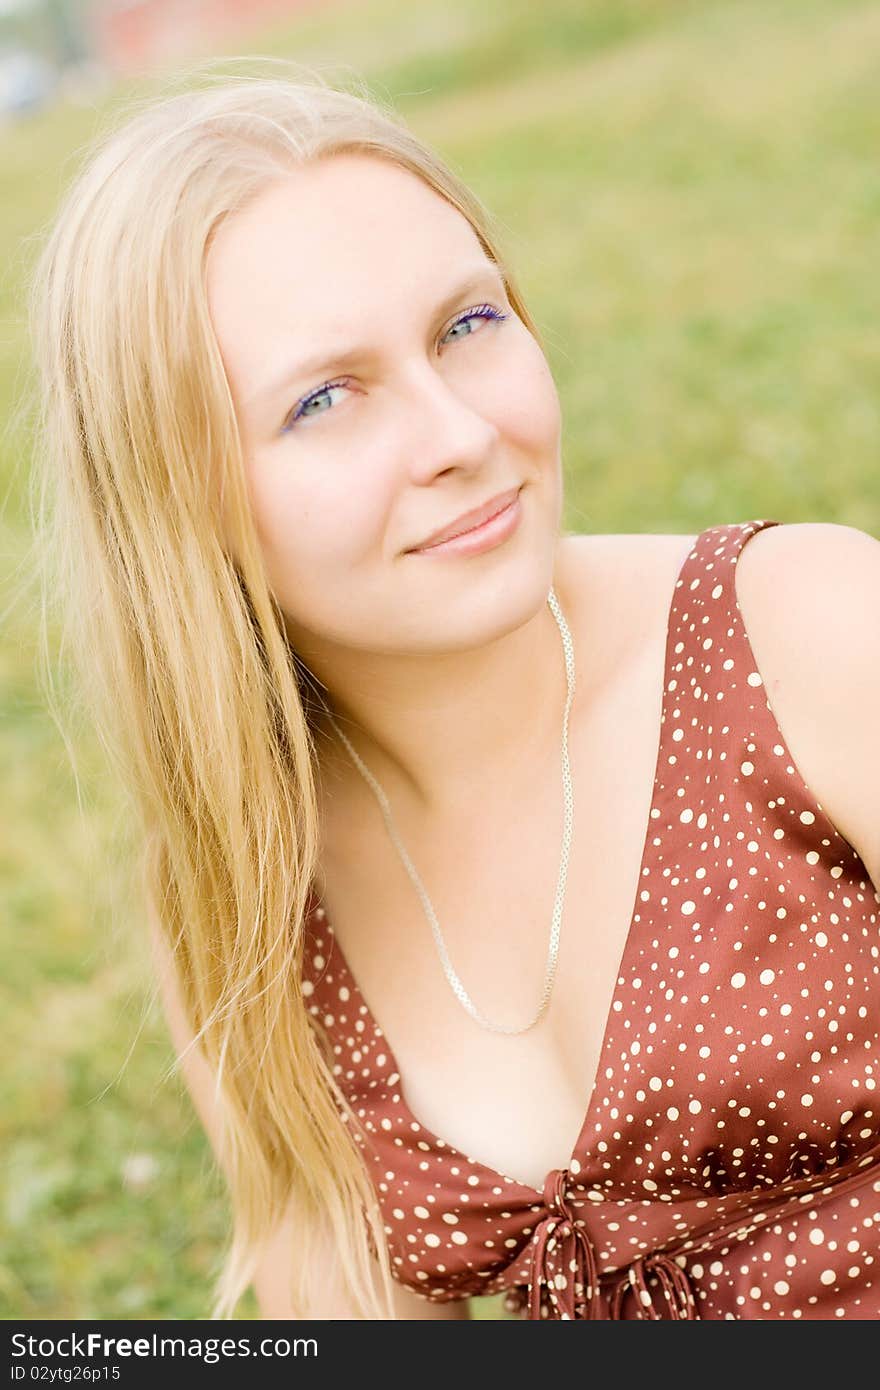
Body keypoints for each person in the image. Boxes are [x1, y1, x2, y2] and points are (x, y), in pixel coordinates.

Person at [27, 63, 880, 1321]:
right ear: (179, 502)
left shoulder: (805, 631)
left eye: (466, 326)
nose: (457, 434)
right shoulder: (243, 875)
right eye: (325, 399)